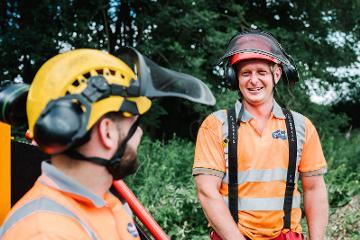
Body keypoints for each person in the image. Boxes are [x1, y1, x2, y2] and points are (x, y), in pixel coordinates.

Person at [0, 48, 215, 239]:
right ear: (107, 132)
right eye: (135, 122)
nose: (139, 133)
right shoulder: (46, 233)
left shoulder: (106, 203)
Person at [193, 30, 328, 240]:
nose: (253, 80)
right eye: (246, 73)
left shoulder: (301, 126)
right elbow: (206, 191)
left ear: (276, 74)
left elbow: (314, 189)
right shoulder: (216, 125)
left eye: (261, 72)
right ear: (234, 78)